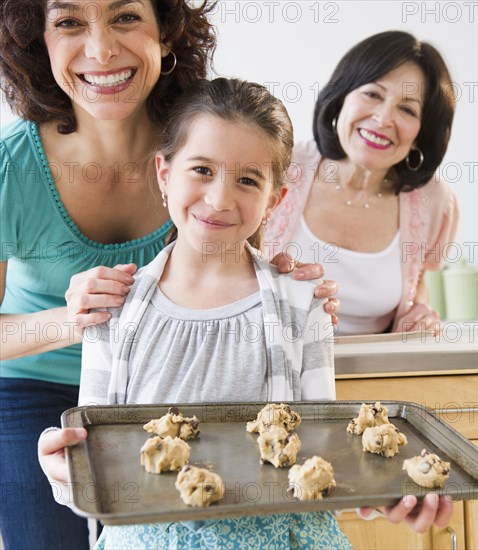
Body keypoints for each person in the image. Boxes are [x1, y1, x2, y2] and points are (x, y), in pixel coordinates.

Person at [39, 78, 453, 548]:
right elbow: (93, 467)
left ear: (275, 200)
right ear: (163, 173)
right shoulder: (113, 308)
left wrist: (384, 494)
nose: (219, 199)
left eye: (247, 180)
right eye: (201, 169)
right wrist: (59, 467)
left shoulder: (304, 304)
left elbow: (325, 452)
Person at [0, 2, 333, 548]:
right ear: (40, 42)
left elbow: (241, 254)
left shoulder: (204, 139)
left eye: (126, 17)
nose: (101, 49)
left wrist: (289, 291)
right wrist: (72, 321)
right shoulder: (9, 168)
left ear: (168, 34)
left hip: (160, 392)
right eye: (69, 22)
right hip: (30, 384)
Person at [266, 31, 459, 335]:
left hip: (374, 377)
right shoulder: (281, 164)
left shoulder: (432, 201)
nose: (383, 119)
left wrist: (418, 316)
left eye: (407, 109)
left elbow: (417, 283)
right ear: (342, 97)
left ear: (422, 134)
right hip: (271, 370)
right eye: (373, 94)